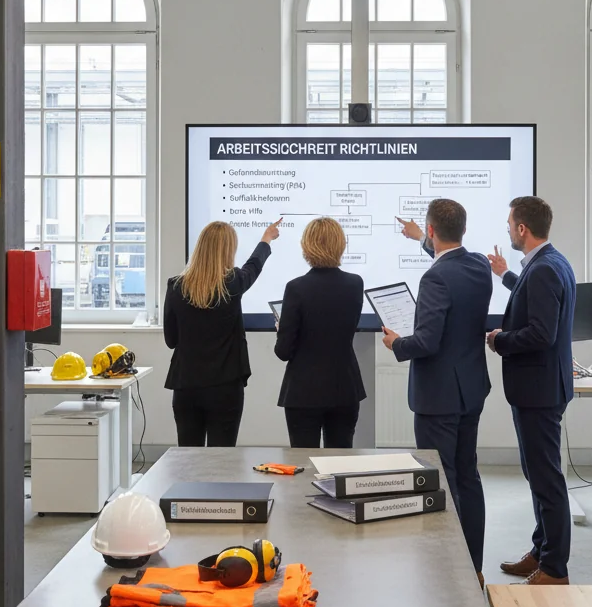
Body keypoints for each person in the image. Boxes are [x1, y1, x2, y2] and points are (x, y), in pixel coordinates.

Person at [383, 199, 493, 580]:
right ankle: (473, 569)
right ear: (463, 229)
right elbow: (449, 260)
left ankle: (449, 574)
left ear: (432, 230)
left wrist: (396, 343)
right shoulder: (479, 266)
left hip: (438, 397)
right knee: (467, 476)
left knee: (441, 483)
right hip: (470, 390)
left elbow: (426, 342)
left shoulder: (434, 279)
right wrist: (420, 238)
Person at [485, 196, 576, 586]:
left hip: (539, 391)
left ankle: (554, 569)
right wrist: (505, 275)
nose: (508, 230)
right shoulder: (552, 262)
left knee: (546, 479)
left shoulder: (542, 270)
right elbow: (533, 298)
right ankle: (541, 551)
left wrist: (499, 340)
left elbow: (541, 333)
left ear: (522, 228)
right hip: (543, 386)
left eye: (510, 224)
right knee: (538, 474)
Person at [163, 218, 282, 446]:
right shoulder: (233, 283)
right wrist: (266, 239)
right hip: (226, 386)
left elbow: (171, 340)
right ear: (229, 250)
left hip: (186, 385)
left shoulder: (176, 286)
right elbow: (254, 265)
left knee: (189, 458)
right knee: (222, 457)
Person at [274, 217, 366, 448]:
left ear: (307, 246)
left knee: (304, 462)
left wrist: (282, 329)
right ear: (341, 244)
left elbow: (283, 352)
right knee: (341, 461)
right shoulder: (355, 284)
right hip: (345, 387)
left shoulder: (295, 288)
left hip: (303, 391)